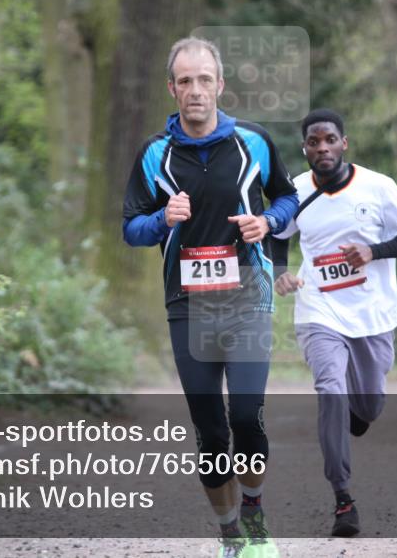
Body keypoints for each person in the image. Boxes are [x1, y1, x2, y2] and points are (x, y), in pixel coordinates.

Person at [122, 37, 298, 557]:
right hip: (187, 304)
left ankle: (255, 519)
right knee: (211, 431)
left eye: (204, 79)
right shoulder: (155, 153)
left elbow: (288, 197)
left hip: (248, 297)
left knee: (246, 416)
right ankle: (229, 535)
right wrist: (162, 219)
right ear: (172, 89)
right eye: (185, 81)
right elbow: (131, 228)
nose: (195, 90)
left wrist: (268, 221)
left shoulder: (253, 141)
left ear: (220, 85)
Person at [271, 109, 397, 537]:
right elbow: (274, 234)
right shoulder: (295, 191)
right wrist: (280, 271)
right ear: (305, 148)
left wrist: (374, 251)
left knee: (369, 405)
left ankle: (359, 412)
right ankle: (343, 498)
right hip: (319, 310)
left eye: (329, 140)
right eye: (313, 142)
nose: (322, 148)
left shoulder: (379, 187)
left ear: (344, 143)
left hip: (372, 313)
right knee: (330, 390)